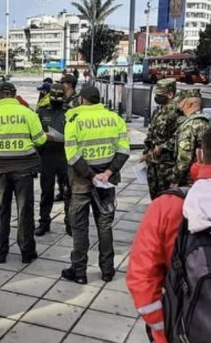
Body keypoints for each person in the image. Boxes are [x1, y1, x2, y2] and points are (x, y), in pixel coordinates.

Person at [127, 121, 211, 343]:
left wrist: (162, 329)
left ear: (200, 156)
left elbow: (141, 277)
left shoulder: (169, 205)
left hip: (184, 331)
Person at [61, 86, 130, 284]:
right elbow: (124, 150)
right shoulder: (115, 118)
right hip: (107, 183)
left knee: (80, 227)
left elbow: (72, 155)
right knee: (105, 226)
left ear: (82, 99)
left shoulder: (74, 120)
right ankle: (107, 271)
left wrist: (91, 176)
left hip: (82, 183)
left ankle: (79, 271)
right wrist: (107, 173)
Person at [0, 82, 47, 264]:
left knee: (0, 210)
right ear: (15, 94)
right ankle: (26, 251)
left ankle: (1, 253)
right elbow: (40, 140)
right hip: (23, 169)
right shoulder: (28, 114)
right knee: (25, 210)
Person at [36, 83, 71, 236]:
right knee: (46, 191)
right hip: (47, 155)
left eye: (59, 96)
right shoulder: (42, 112)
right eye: (53, 95)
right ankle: (44, 222)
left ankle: (70, 223)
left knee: (68, 191)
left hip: (65, 155)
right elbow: (36, 133)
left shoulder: (70, 112)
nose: (56, 98)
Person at [141, 78, 180, 199]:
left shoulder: (177, 112)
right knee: (154, 194)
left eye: (160, 94)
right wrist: (145, 152)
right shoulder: (158, 110)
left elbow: (178, 136)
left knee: (166, 196)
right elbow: (151, 132)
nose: (157, 97)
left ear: (170, 94)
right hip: (153, 161)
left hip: (167, 163)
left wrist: (162, 148)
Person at [171, 89, 210, 187]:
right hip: (204, 173)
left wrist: (175, 179)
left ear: (188, 104)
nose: (179, 106)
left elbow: (184, 158)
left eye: (180, 103)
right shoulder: (206, 121)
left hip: (189, 178)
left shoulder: (190, 126)